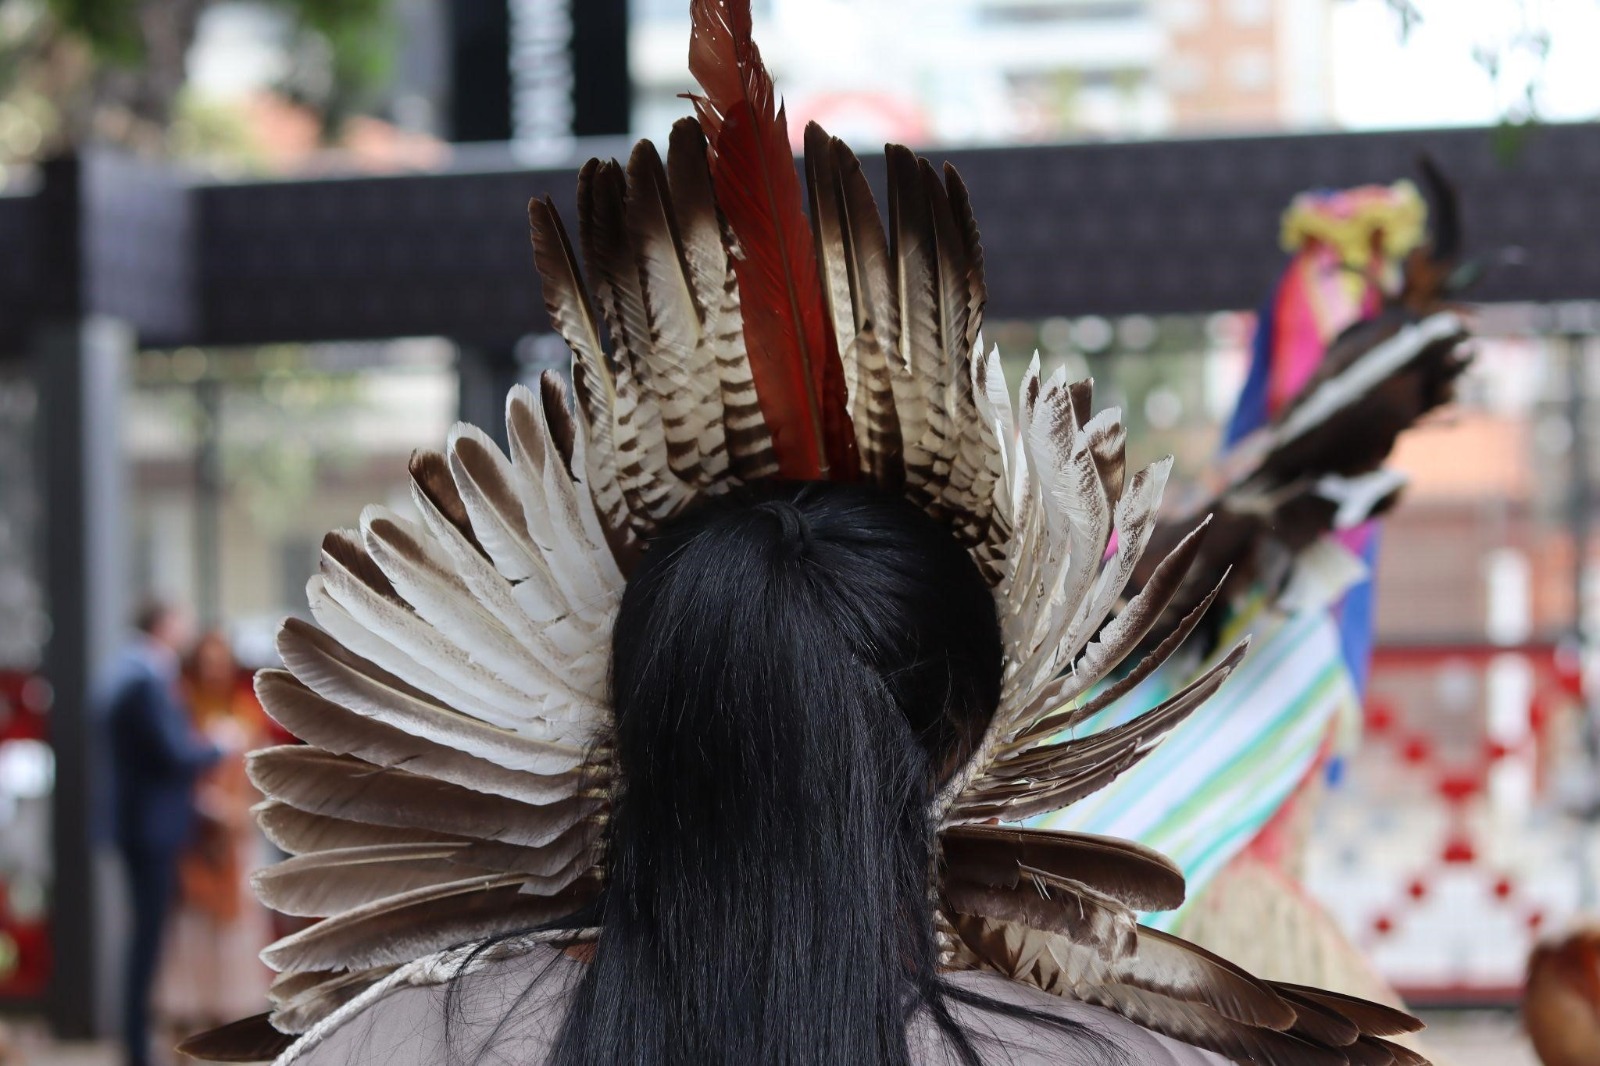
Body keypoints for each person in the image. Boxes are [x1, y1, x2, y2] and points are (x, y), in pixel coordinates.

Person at [101, 601, 224, 1066]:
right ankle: (135, 1049)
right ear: (162, 625)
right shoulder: (143, 678)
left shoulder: (129, 673)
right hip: (150, 832)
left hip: (145, 830)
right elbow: (172, 753)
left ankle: (138, 1044)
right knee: (145, 944)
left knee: (148, 942)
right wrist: (218, 745)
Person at [154, 632, 272, 1038]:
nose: (214, 671)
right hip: (194, 841)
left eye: (220, 662)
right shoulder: (181, 713)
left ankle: (231, 1028)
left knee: (235, 939)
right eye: (207, 662)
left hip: (237, 839)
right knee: (190, 937)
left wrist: (239, 813)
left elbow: (262, 777)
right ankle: (188, 1029)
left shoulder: (246, 715)